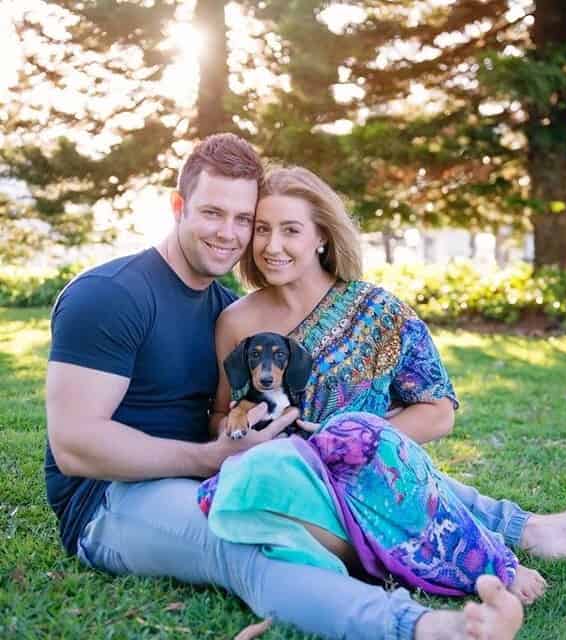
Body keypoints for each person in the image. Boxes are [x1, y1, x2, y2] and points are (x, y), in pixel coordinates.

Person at [45, 133, 525, 640]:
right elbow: (76, 446)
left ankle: (519, 533)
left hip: (214, 478)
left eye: (243, 220)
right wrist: (213, 456)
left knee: (348, 482)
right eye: (212, 213)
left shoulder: (223, 309)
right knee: (247, 542)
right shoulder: (110, 296)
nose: (229, 233)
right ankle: (425, 627)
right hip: (111, 501)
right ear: (178, 206)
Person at [204, 165, 566, 606]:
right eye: (262, 229)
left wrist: (355, 443)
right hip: (288, 485)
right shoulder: (236, 321)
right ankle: (526, 534)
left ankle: (530, 534)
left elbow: (439, 411)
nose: (272, 245)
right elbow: (221, 416)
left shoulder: (378, 311)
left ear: (321, 236)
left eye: (291, 230)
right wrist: (241, 437)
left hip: (380, 475)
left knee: (365, 451)